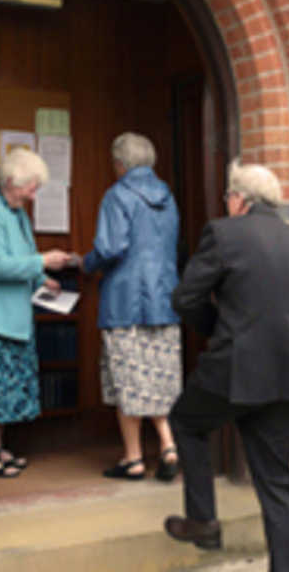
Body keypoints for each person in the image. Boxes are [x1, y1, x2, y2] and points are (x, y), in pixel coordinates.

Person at [163, 158, 289, 571]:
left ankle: (203, 520)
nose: (227, 204)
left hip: (235, 369)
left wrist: (220, 331)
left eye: (228, 196)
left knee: (187, 422)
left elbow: (185, 299)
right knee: (278, 483)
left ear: (239, 199)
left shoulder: (223, 234)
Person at [81, 132, 182, 482]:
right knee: (157, 377)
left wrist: (85, 264)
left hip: (125, 301)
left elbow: (110, 248)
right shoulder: (168, 198)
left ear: (120, 163)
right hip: (164, 299)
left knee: (127, 379)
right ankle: (168, 445)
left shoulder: (118, 195)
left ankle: (134, 458)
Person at [0, 147, 72, 477]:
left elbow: (22, 258)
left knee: (8, 390)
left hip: (16, 316)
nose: (33, 194)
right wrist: (41, 261)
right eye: (31, 186)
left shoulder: (17, 213)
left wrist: (43, 279)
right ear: (12, 180)